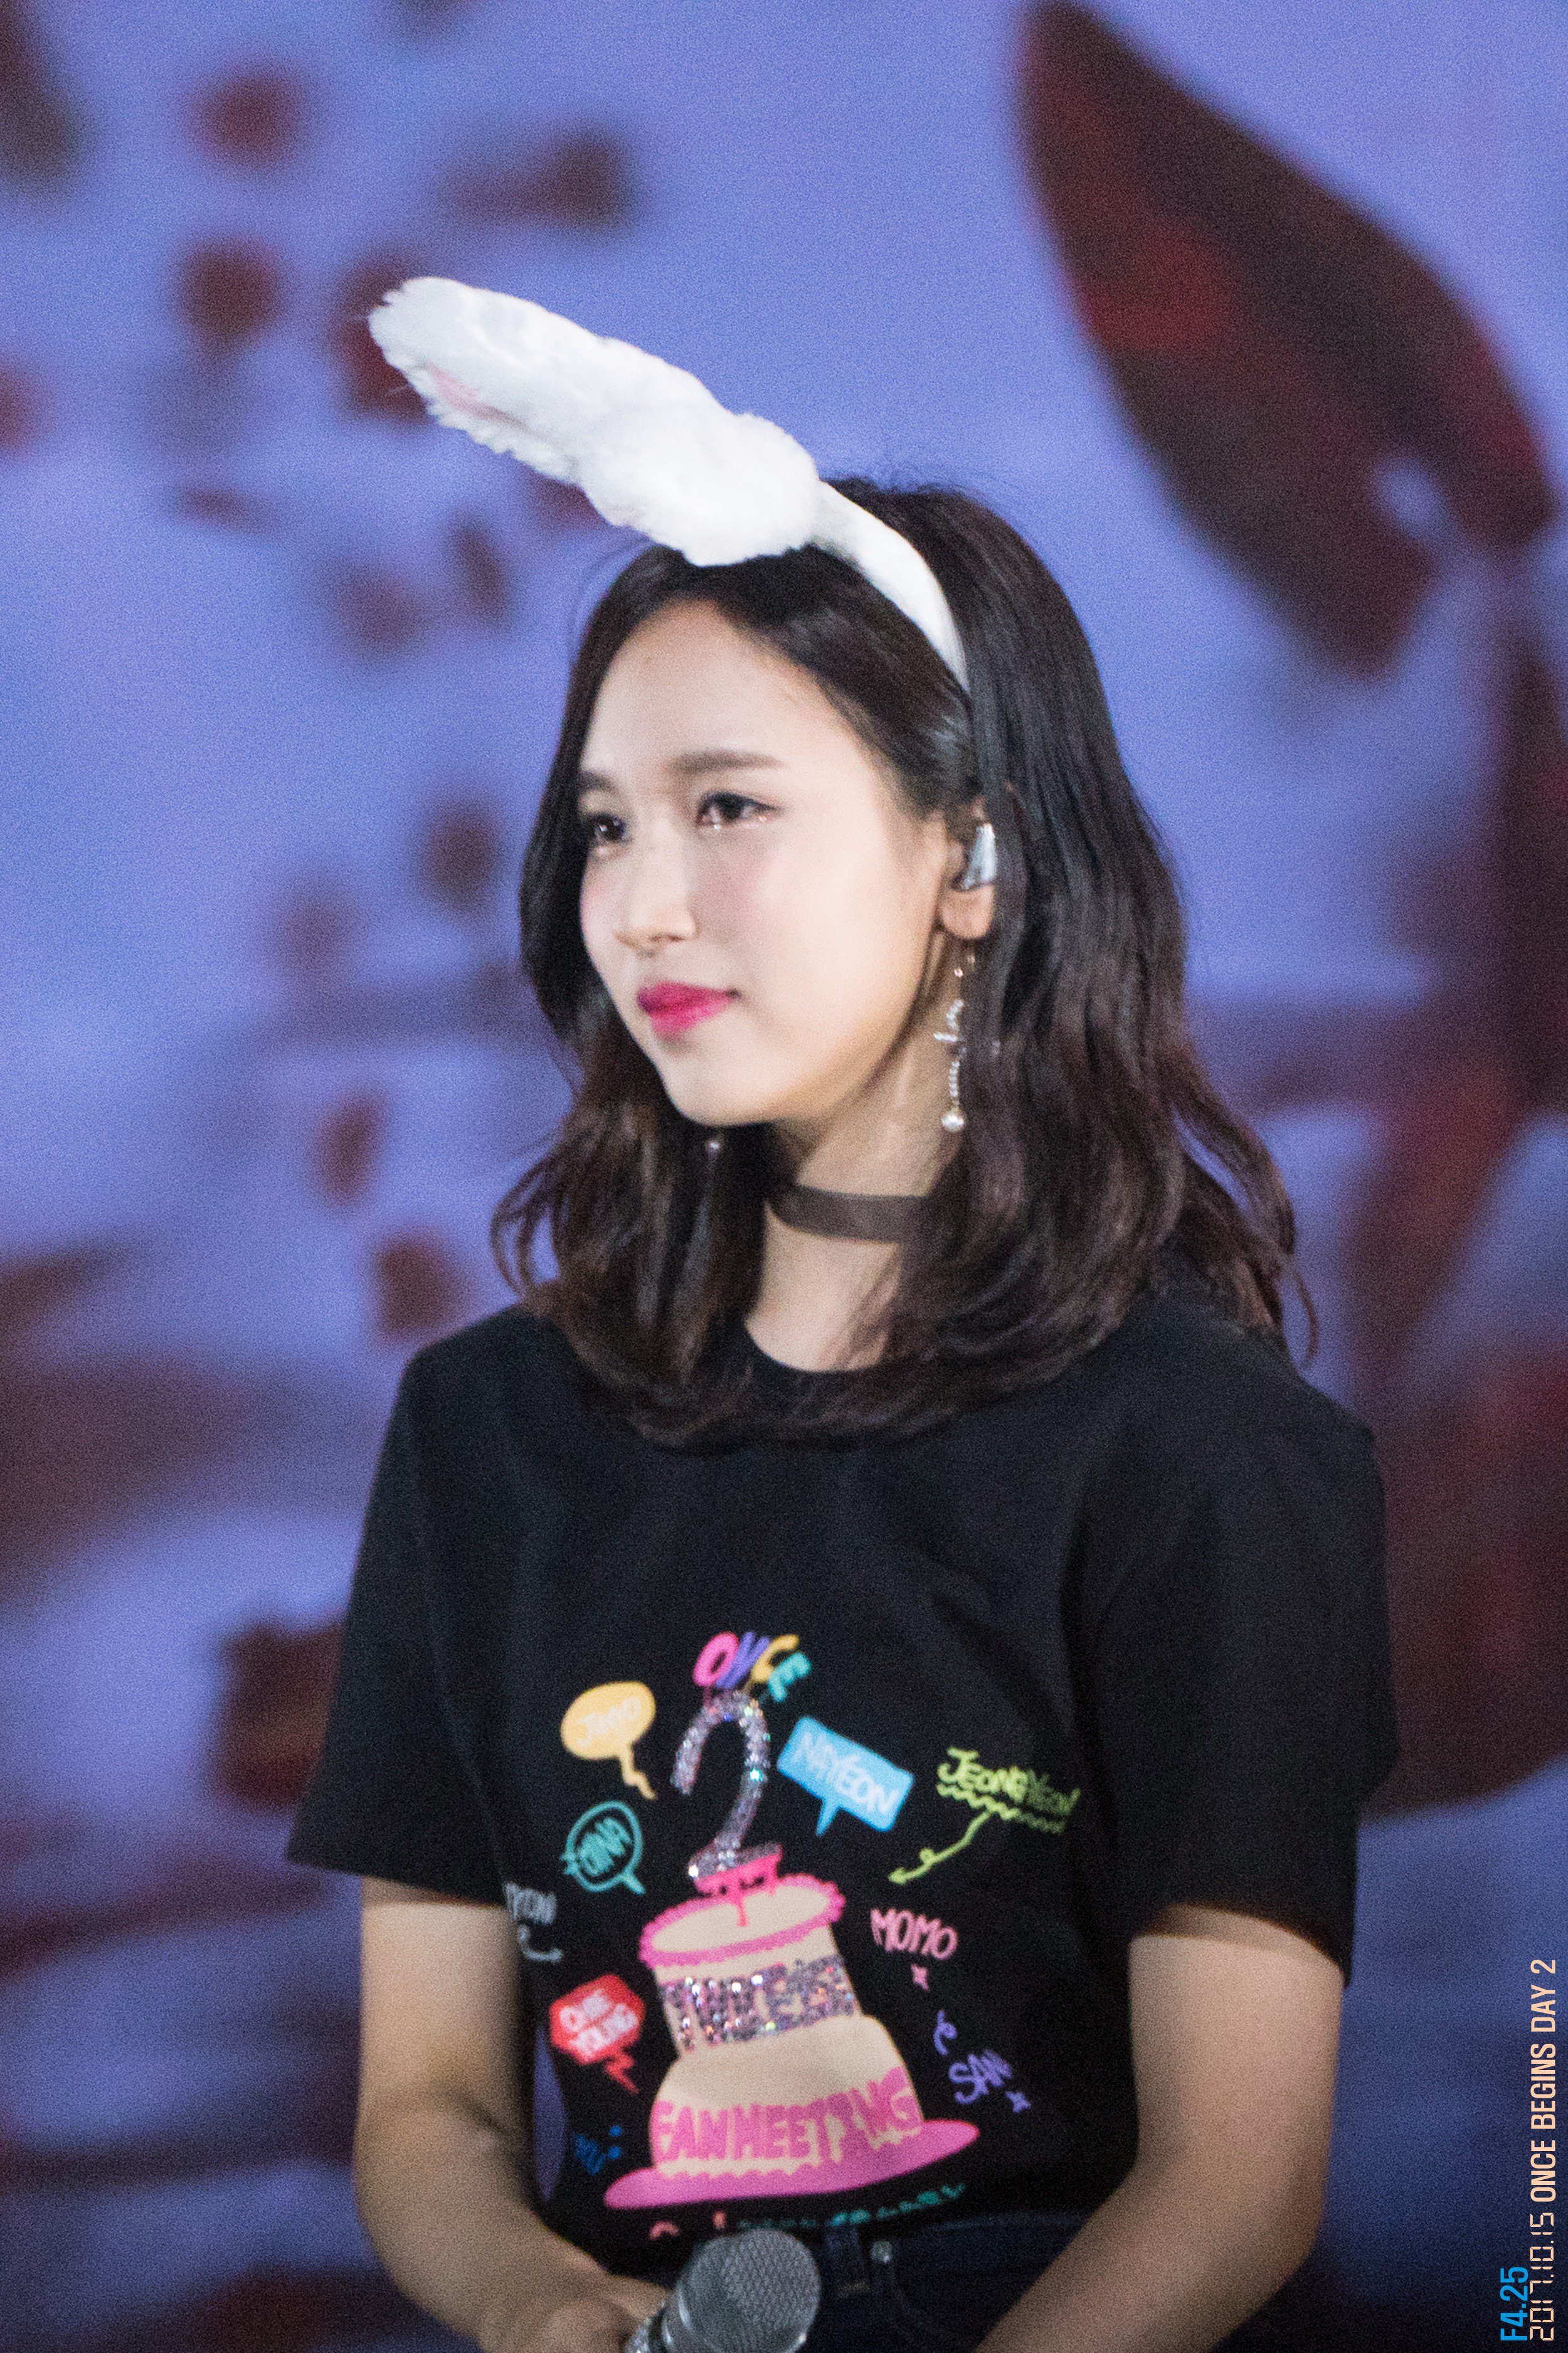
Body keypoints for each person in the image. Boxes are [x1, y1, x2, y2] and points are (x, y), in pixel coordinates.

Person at [285, 289, 1399, 2353]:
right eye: (606, 824)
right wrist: (542, 2311)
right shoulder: (483, 1433)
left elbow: (1236, 2184)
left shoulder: (1205, 1456)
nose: (642, 902)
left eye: (728, 807)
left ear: (969, 857)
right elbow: (429, 2107)